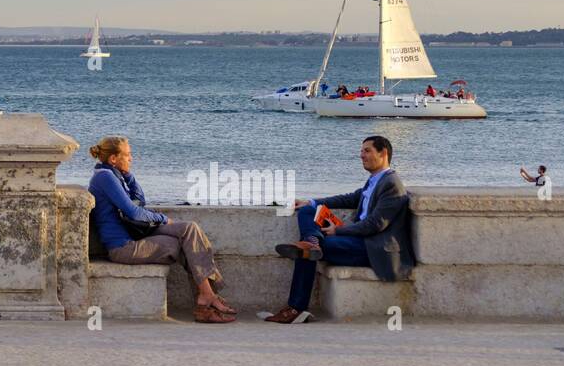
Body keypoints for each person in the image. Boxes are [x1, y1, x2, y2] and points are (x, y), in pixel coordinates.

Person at [265, 135, 414, 324]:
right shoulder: (375, 180)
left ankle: (296, 308)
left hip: (373, 248)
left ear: (383, 153)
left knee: (306, 253)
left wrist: (339, 231)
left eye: (367, 150)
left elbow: (376, 224)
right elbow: (348, 199)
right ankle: (313, 241)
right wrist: (311, 201)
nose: (361, 155)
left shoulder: (391, 184)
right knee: (308, 211)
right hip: (358, 240)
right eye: (361, 151)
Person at [87, 136, 235, 323]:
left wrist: (129, 176)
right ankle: (205, 301)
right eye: (127, 155)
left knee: (190, 229)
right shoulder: (105, 177)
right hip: (123, 247)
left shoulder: (115, 176)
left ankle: (207, 296)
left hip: (137, 235)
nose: (131, 158)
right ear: (113, 159)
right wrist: (165, 220)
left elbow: (141, 201)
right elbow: (133, 212)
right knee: (179, 245)